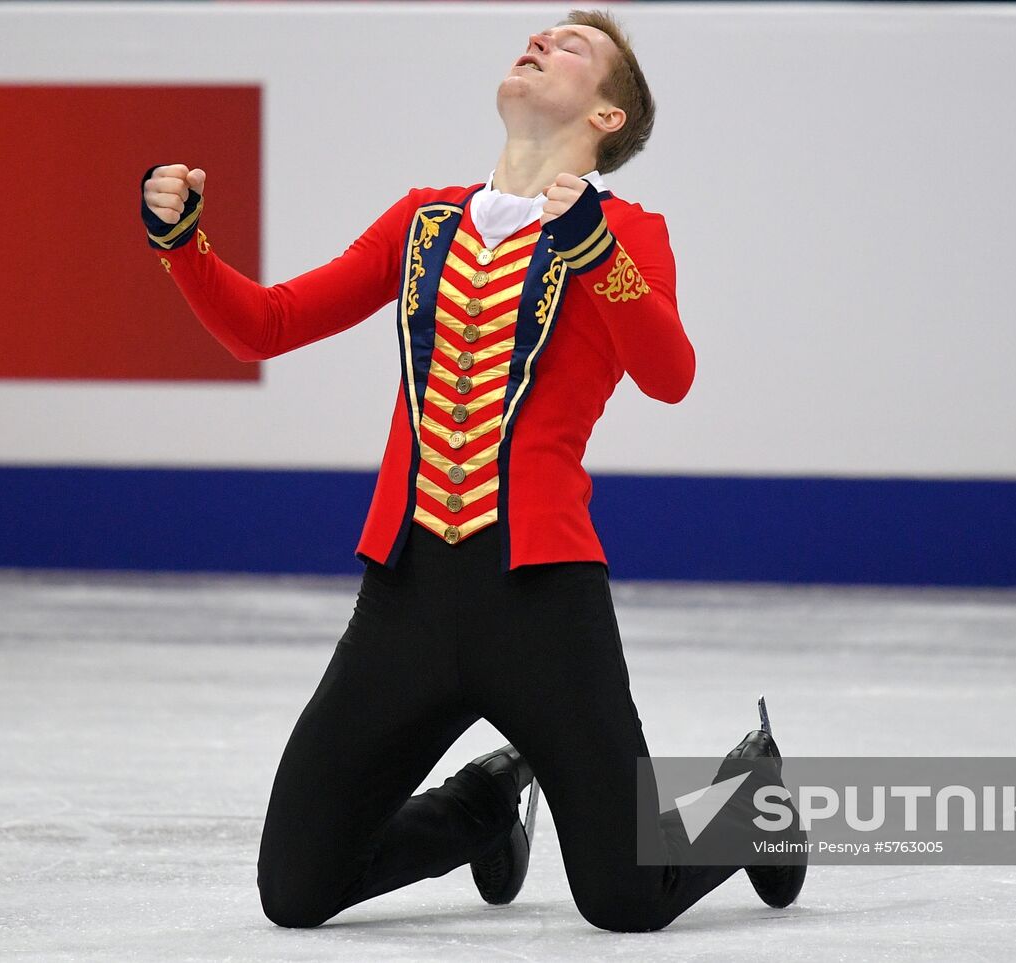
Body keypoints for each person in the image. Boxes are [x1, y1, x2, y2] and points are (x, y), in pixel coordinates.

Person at [138, 8, 803, 932]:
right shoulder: (423, 221)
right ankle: (484, 807)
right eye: (539, 35)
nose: (540, 43)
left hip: (539, 602)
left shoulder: (629, 235)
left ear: (607, 118)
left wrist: (593, 247)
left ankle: (752, 799)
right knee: (296, 890)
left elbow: (670, 375)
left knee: (622, 896)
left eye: (573, 47)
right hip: (405, 599)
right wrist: (184, 247)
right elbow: (269, 323)